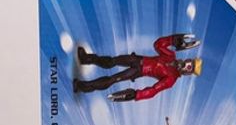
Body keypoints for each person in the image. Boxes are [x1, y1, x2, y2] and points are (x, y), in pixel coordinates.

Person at [73, 34, 202, 101]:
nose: (186, 65)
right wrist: (173, 40)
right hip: (138, 59)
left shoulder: (171, 79)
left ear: (188, 73)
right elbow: (158, 45)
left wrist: (137, 94)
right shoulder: (171, 56)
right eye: (189, 62)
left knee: (113, 79)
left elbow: (153, 90)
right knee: (112, 61)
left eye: (189, 68)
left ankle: (82, 86)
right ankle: (86, 59)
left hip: (138, 71)